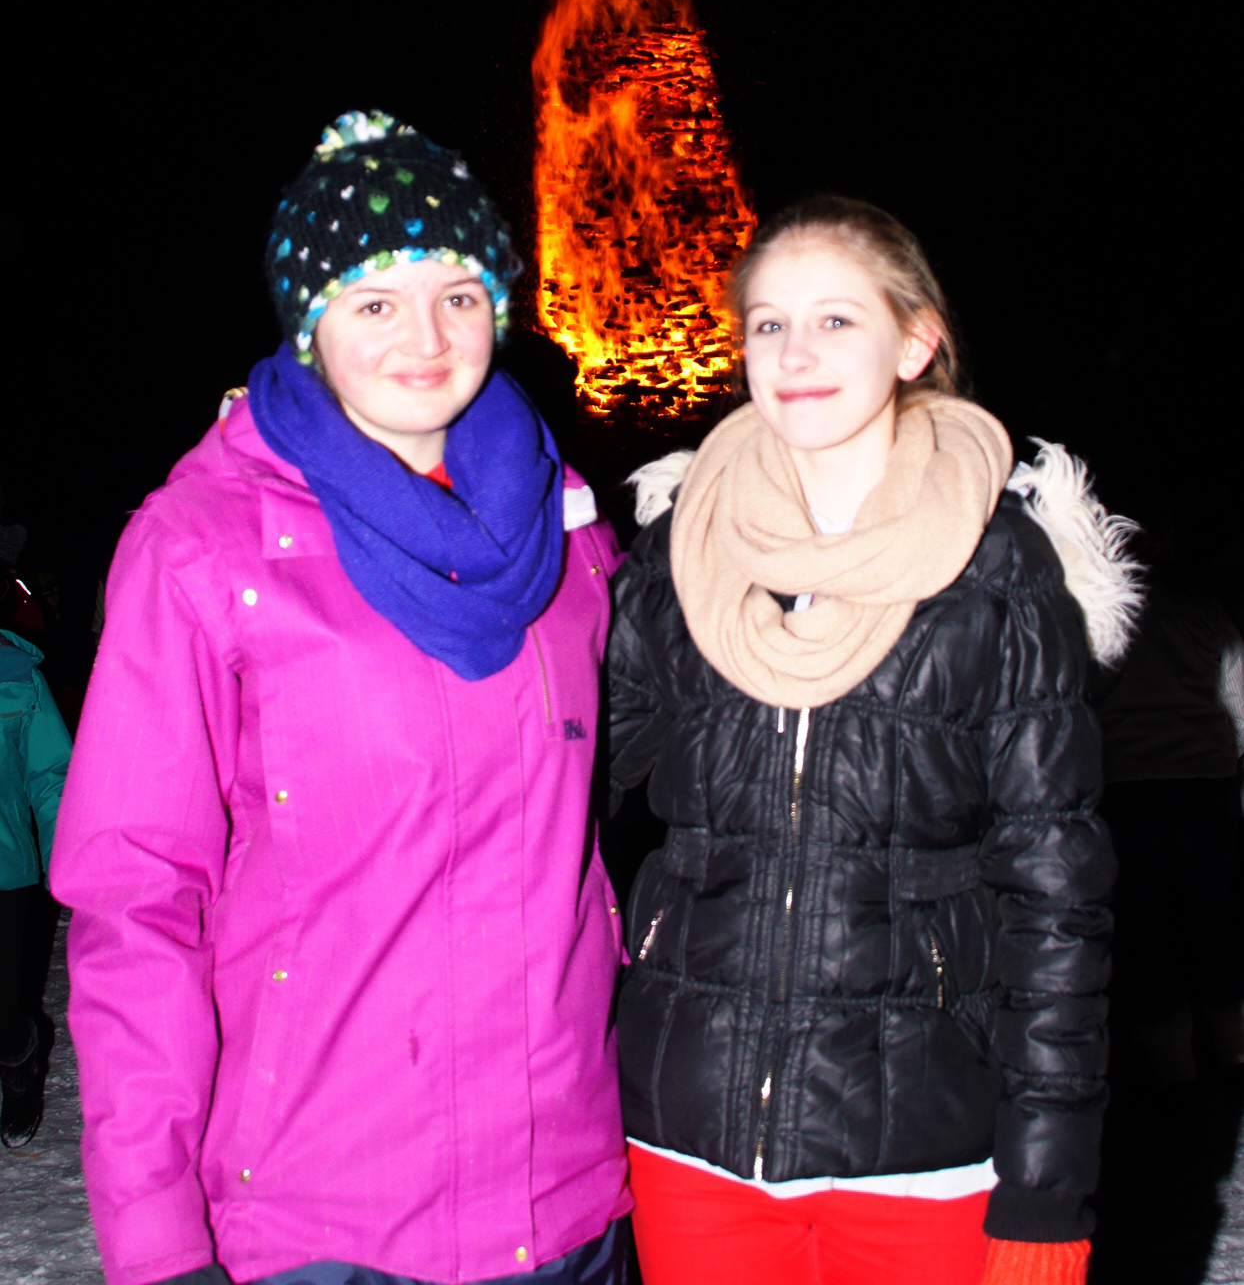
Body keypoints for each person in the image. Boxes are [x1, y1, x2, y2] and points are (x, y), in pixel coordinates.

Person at [51, 112, 630, 1285]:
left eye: (458, 294)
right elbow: (137, 901)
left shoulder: (568, 529)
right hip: (323, 1219)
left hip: (563, 1197)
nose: (427, 338)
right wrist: (155, 1231)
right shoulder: (202, 546)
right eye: (374, 303)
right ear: (309, 323)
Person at [607, 194, 1143, 1285]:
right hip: (687, 1137)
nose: (794, 353)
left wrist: (1046, 1191)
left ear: (913, 342)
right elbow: (555, 789)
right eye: (768, 323)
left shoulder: (997, 572)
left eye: (835, 321)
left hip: (923, 1148)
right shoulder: (677, 556)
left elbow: (1056, 900)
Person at [1096, 566, 1244, 1083]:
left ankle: (1172, 1067)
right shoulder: (1200, 609)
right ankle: (1231, 1048)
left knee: (1146, 926)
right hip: (1204, 782)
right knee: (1216, 915)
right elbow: (1238, 695)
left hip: (1124, 783)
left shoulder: (1096, 607)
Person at [0, 622, 72, 1147]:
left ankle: (18, 1056)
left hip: (4, 872)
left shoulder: (16, 674)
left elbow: (52, 775)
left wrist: (65, 860)